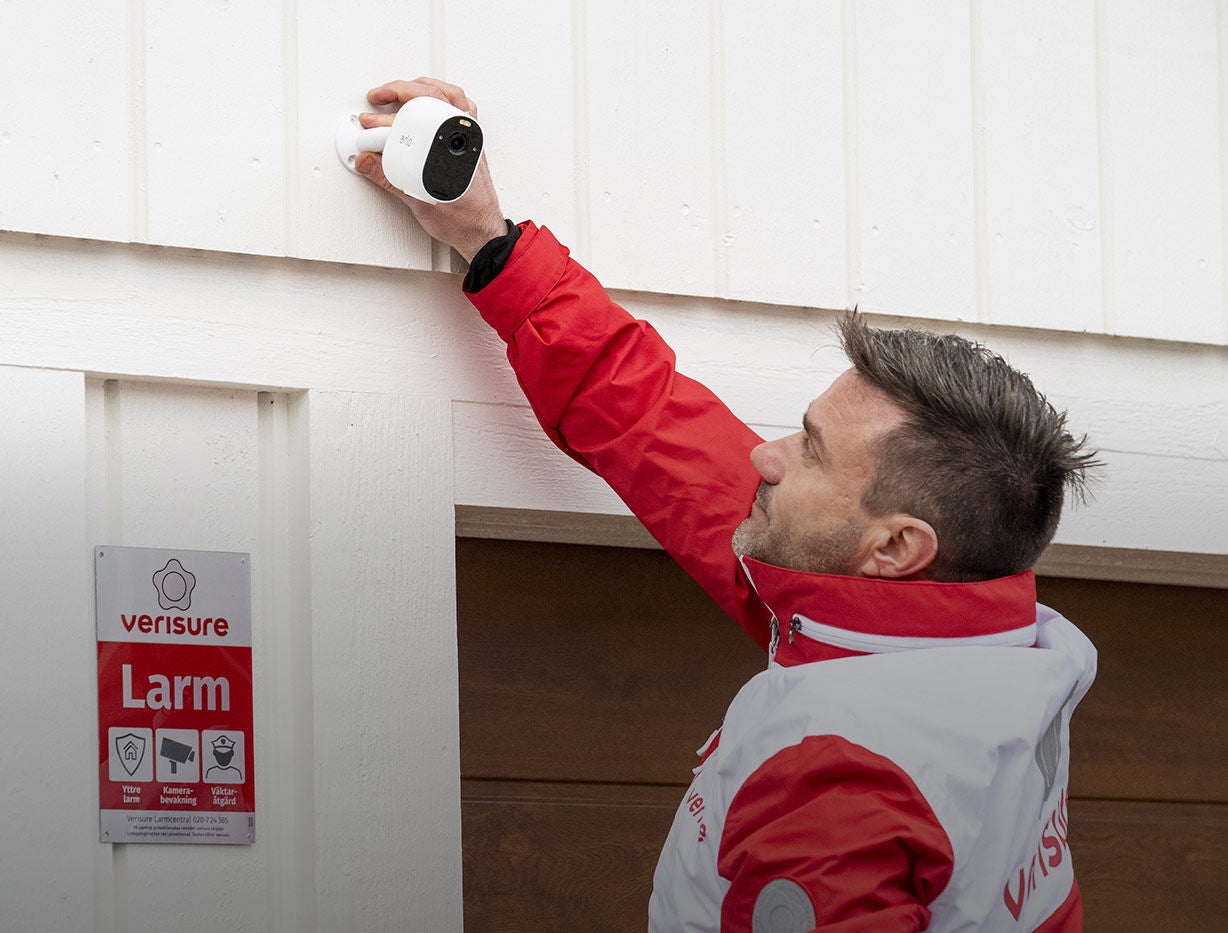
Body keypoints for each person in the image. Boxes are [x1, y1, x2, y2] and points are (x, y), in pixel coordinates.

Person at [354, 77, 1101, 933]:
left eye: (810, 449)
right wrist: (490, 240)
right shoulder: (979, 642)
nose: (763, 456)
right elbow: (653, 426)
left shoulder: (838, 786)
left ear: (897, 547)